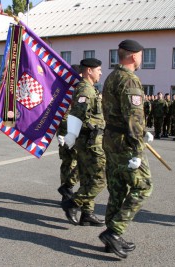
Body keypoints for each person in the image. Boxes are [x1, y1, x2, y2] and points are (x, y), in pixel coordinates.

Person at [99, 40, 154, 259]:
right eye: (141, 55)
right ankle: (114, 232)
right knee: (144, 187)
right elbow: (134, 118)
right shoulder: (130, 80)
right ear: (133, 56)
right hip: (125, 143)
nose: (141, 59)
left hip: (111, 140)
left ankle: (111, 240)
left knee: (117, 189)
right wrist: (139, 149)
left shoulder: (111, 77)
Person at [60, 58, 106, 227]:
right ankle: (73, 203)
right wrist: (70, 134)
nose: (100, 72)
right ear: (89, 71)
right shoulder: (85, 89)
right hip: (91, 141)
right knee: (100, 178)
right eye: (98, 69)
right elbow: (78, 113)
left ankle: (87, 214)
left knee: (87, 178)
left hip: (89, 139)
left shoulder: (90, 88)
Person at [57, 64, 81, 201]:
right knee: (68, 162)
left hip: (76, 133)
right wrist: (60, 133)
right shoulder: (66, 91)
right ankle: (66, 192)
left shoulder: (80, 90)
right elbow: (61, 114)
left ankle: (67, 188)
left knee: (75, 162)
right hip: (66, 133)